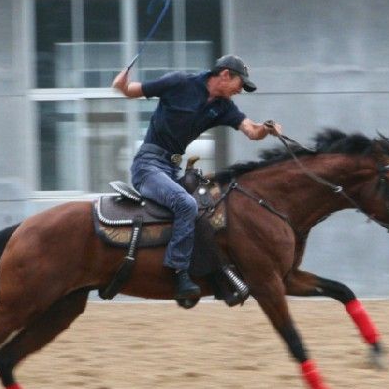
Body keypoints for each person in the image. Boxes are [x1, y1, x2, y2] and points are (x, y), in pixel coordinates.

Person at [112, 54, 281, 304]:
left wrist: (267, 129)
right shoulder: (179, 82)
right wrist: (121, 83)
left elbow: (252, 131)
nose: (240, 91)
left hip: (171, 170)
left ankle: (215, 277)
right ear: (224, 75)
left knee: (206, 212)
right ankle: (179, 274)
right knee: (186, 204)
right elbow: (128, 91)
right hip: (147, 167)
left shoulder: (223, 107)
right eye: (239, 85)